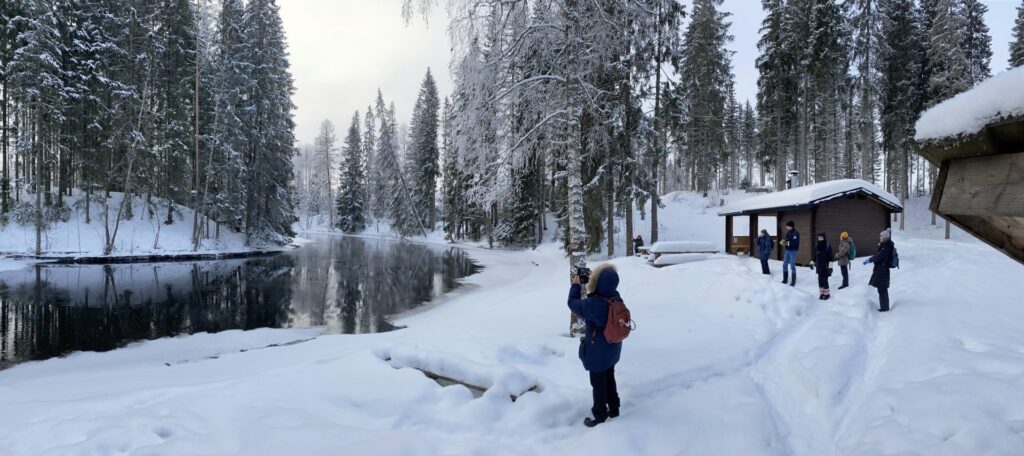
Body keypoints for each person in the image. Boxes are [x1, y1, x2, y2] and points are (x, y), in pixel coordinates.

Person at [568, 263, 623, 427]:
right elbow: (605, 288)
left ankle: (599, 415)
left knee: (598, 383)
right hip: (613, 348)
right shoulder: (616, 297)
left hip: (598, 352)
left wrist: (576, 285)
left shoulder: (593, 305)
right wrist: (596, 279)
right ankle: (614, 409)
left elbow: (572, 303)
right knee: (610, 377)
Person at [864, 228, 895, 312]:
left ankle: (884, 308)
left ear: (884, 237)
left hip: (882, 270)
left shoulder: (885, 247)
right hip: (882, 269)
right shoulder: (884, 245)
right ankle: (884, 307)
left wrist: (869, 260)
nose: (880, 237)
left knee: (882, 289)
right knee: (882, 289)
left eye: (881, 236)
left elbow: (878, 256)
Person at [813, 232, 833, 300]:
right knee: (820, 281)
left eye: (821, 237)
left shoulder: (827, 245)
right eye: (819, 237)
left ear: (824, 237)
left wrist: (830, 267)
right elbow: (815, 256)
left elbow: (830, 257)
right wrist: (812, 262)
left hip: (825, 267)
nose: (820, 238)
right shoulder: (817, 246)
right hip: (819, 267)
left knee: (825, 280)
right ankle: (822, 294)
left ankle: (827, 294)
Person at [780, 221, 800, 286]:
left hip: (793, 251)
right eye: (786, 226)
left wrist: (784, 243)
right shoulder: (788, 232)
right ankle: (785, 279)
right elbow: (786, 240)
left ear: (791, 226)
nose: (786, 227)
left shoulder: (796, 233)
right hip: (787, 251)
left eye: (788, 226)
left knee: (792, 266)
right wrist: (783, 242)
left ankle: (793, 281)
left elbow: (794, 243)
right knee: (784, 265)